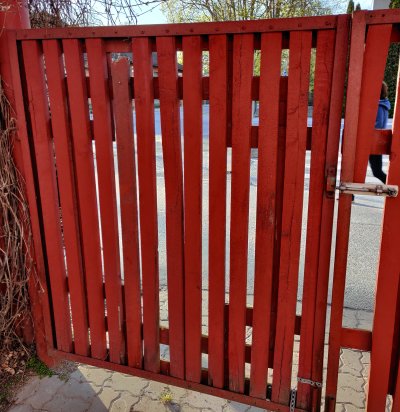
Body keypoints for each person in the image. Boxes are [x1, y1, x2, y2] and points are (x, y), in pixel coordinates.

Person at [370, 81, 390, 184]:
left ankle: (393, 185)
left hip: (373, 142)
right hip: (374, 142)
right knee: (377, 171)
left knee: (377, 172)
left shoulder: (379, 106)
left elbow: (379, 124)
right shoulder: (382, 104)